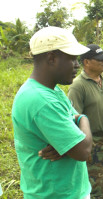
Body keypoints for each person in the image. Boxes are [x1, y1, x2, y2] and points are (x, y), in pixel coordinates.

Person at [11, 26, 93, 199]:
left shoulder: (52, 90)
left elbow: (74, 122)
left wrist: (66, 143)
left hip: (67, 191)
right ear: (51, 58)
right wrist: (83, 120)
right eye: (72, 59)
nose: (78, 65)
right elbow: (83, 151)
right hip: (55, 194)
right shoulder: (41, 100)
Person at [68, 44, 103, 199]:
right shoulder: (77, 86)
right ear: (86, 62)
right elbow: (75, 118)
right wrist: (84, 147)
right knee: (95, 186)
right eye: (100, 59)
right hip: (94, 142)